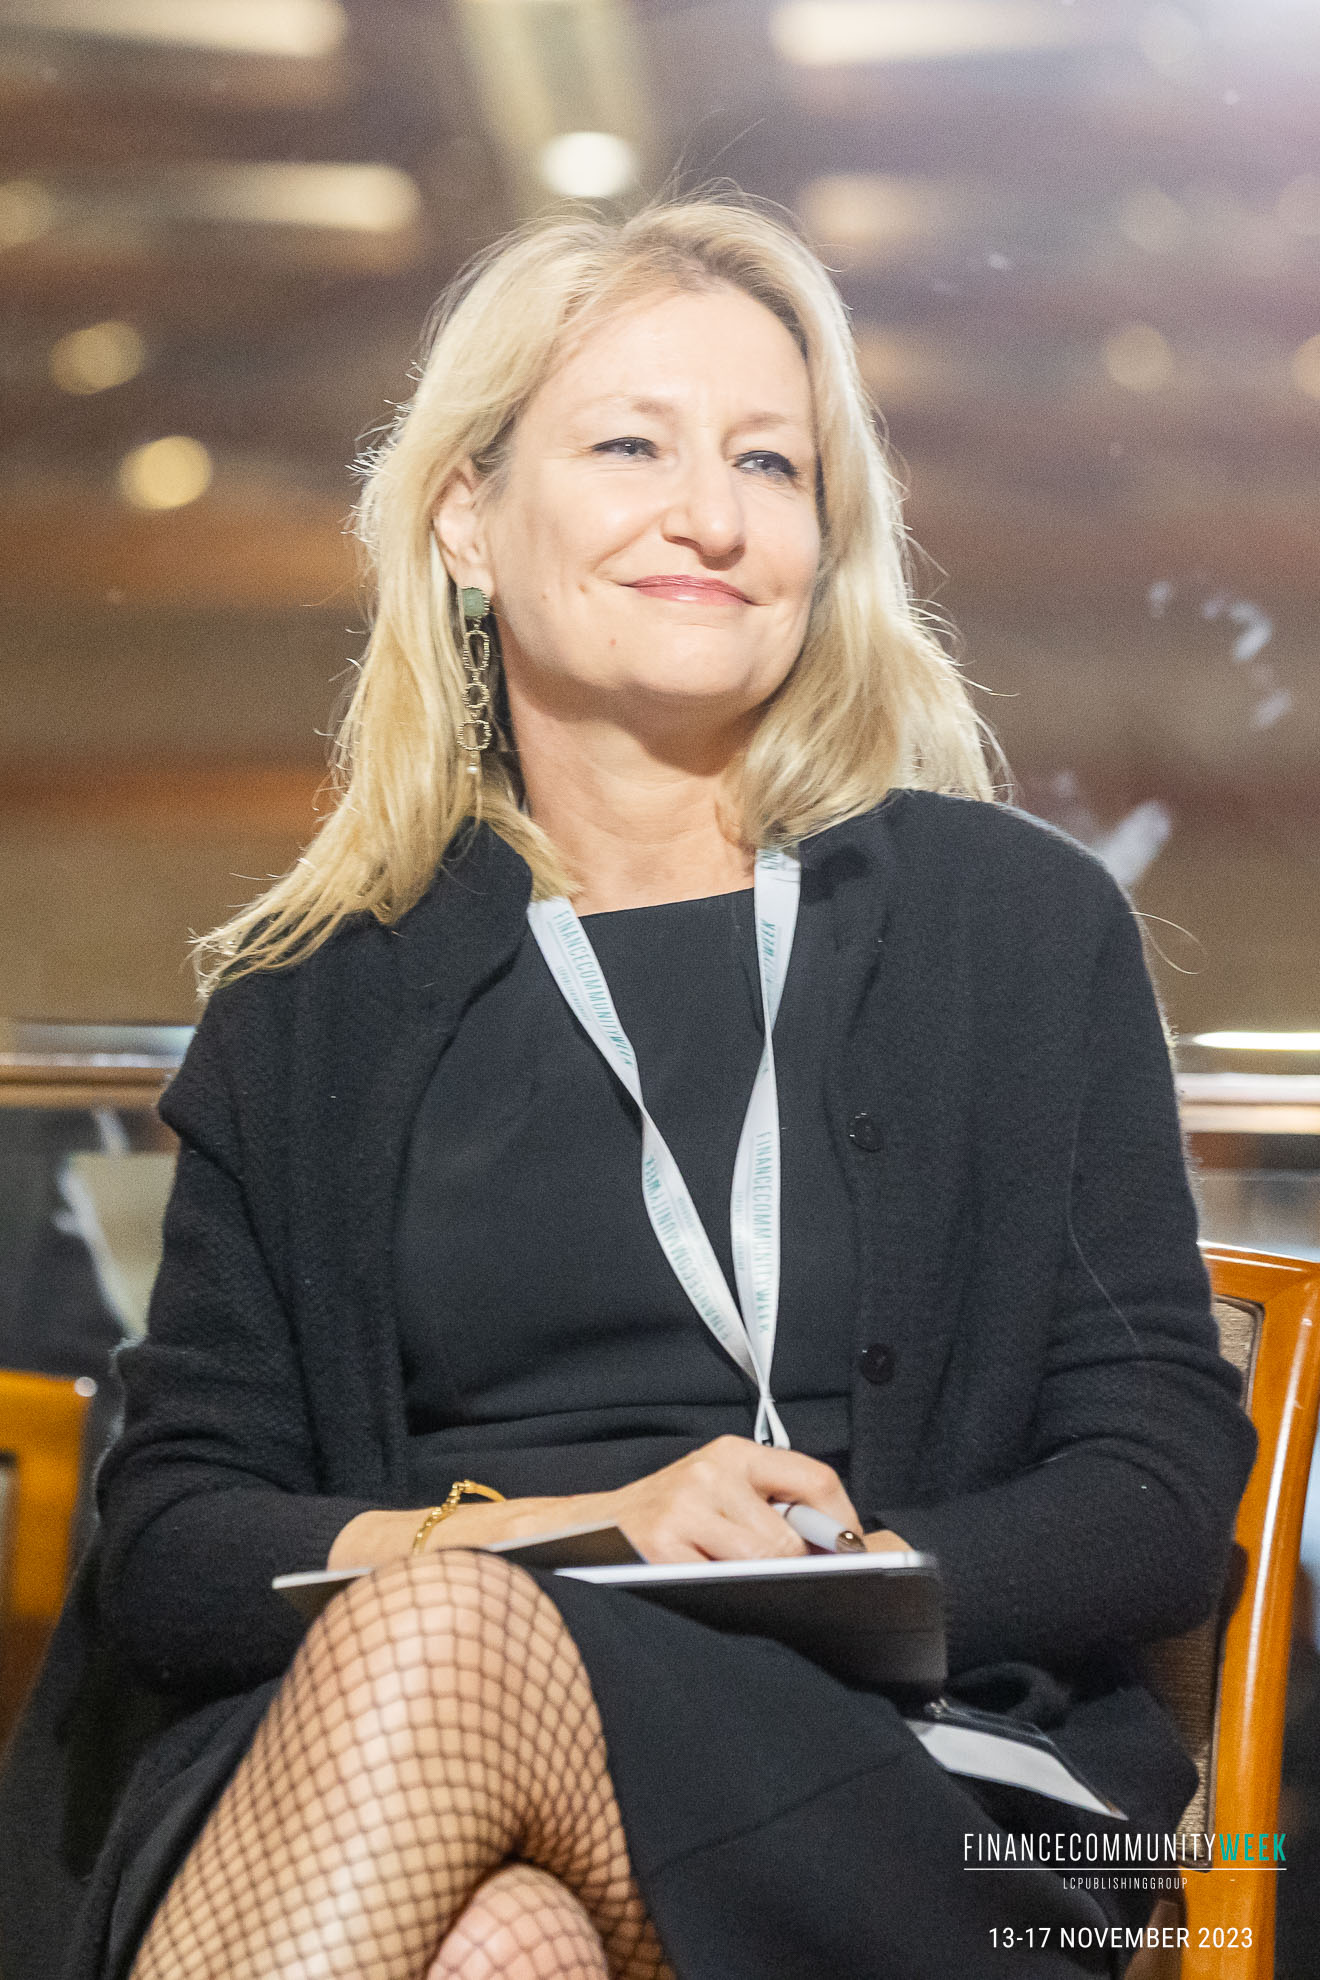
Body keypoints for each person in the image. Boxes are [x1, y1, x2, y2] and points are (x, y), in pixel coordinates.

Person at [0, 198, 1256, 1980]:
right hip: (378, 1739)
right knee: (499, 1930)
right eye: (631, 447)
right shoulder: (312, 999)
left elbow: (1151, 1478)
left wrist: (827, 1579)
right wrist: (561, 1541)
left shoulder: (1013, 926)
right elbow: (179, 1539)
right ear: (467, 519)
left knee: (449, 1651)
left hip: (917, 1776)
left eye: (770, 462)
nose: (714, 517)